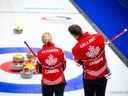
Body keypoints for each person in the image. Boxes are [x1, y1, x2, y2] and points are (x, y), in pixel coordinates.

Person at [68, 24, 109, 96]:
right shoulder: (99, 36)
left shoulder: (76, 49)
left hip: (90, 76)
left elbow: (78, 61)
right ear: (81, 30)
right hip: (103, 73)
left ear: (73, 35)